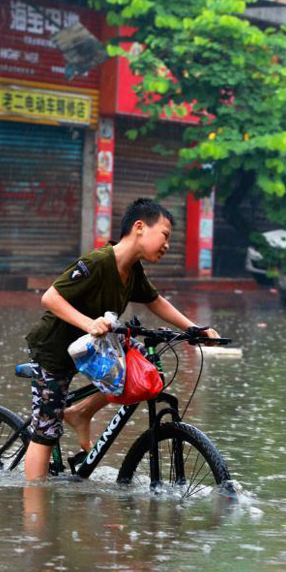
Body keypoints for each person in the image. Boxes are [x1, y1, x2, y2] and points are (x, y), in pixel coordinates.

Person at [23, 198, 220, 480]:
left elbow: (156, 301)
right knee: (46, 433)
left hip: (91, 348)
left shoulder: (133, 271)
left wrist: (195, 329)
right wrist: (89, 323)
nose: (167, 245)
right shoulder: (99, 262)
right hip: (54, 350)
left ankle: (80, 413)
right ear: (140, 227)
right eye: (164, 235)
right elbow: (50, 297)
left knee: (139, 372)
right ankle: (34, 518)